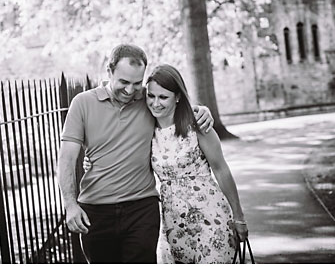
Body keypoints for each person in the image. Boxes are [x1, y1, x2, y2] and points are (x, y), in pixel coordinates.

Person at [57, 44, 214, 264]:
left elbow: (172, 102)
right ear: (109, 71)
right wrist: (70, 205)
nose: (130, 90)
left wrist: (200, 110)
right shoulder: (82, 104)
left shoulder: (147, 100)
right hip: (96, 212)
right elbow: (66, 158)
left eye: (137, 83)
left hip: (141, 208)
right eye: (123, 82)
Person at [146, 64, 247, 263]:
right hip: (172, 225)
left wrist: (239, 216)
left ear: (177, 96)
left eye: (163, 97)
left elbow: (221, 169)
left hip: (210, 218)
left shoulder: (197, 124)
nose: (155, 103)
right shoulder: (146, 130)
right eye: (151, 96)